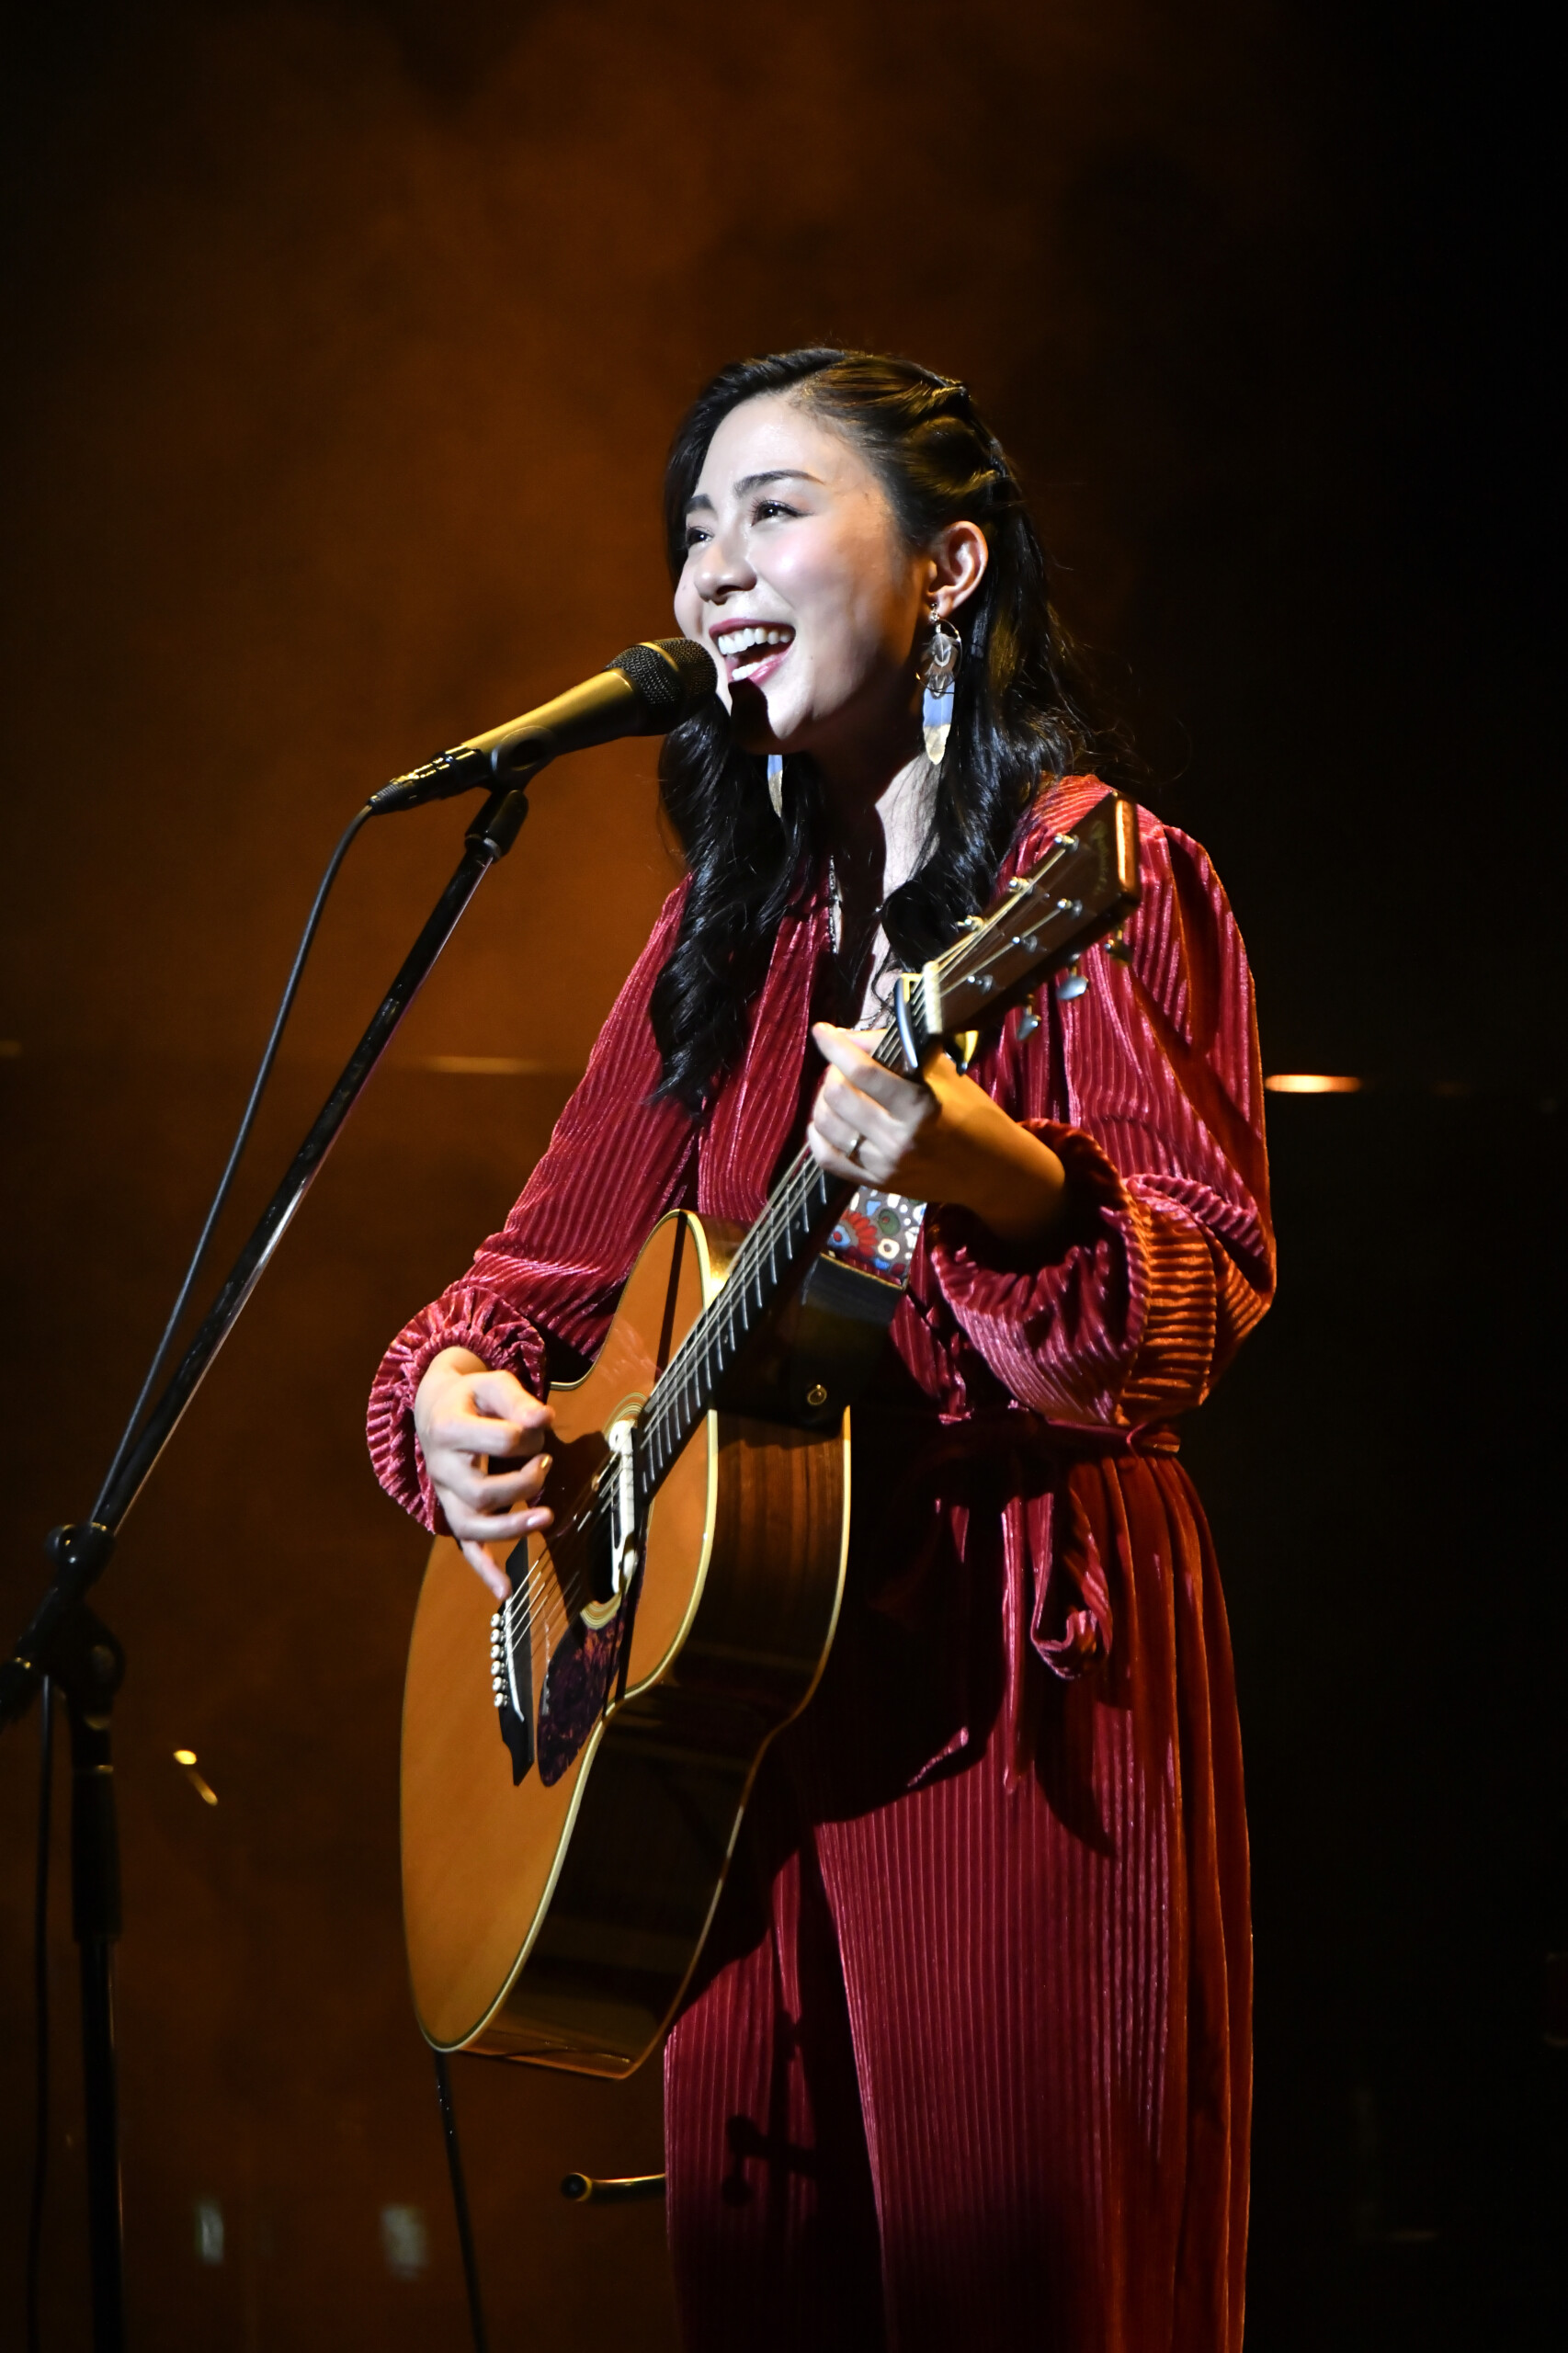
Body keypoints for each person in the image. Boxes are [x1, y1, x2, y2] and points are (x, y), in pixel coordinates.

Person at [367, 349, 1275, 2352]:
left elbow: (1180, 1308)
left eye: (772, 511)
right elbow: (526, 1283)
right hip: (726, 1726)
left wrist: (984, 1169)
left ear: (949, 567)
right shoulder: (732, 931)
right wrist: (453, 1400)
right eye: (693, 528)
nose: (710, 569)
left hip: (1010, 1677)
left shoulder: (1094, 877)